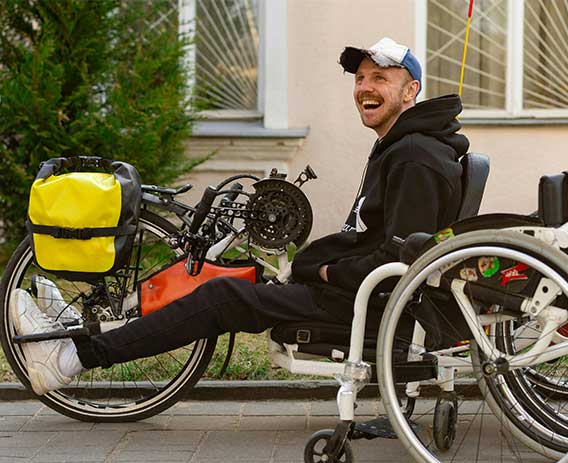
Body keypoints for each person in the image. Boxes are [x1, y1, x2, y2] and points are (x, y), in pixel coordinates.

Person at [10, 37, 469, 396]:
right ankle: (74, 331)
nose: (365, 87)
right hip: (354, 290)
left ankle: (70, 359)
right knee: (233, 279)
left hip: (367, 302)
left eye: (380, 78)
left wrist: (326, 270)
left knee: (222, 296)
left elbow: (402, 256)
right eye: (360, 78)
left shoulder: (414, 156)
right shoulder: (403, 146)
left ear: (410, 90)